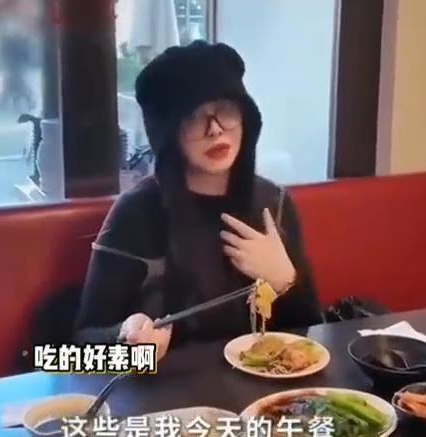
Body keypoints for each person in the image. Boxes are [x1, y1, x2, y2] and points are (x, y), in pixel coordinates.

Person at [73, 41, 323, 362]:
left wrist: (285, 280)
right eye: (193, 117)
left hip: (261, 390)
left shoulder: (274, 203)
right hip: (164, 391)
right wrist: (125, 340)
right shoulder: (137, 212)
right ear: (167, 133)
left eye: (226, 110)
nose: (215, 130)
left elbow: (314, 335)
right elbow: (79, 346)